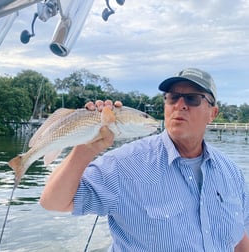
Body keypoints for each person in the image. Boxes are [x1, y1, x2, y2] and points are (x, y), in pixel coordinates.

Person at [40, 68, 249, 251]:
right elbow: (53, 201)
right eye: (172, 97)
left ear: (212, 113)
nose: (180, 105)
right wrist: (85, 150)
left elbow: (240, 237)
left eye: (193, 98)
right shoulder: (124, 164)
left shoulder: (231, 173)